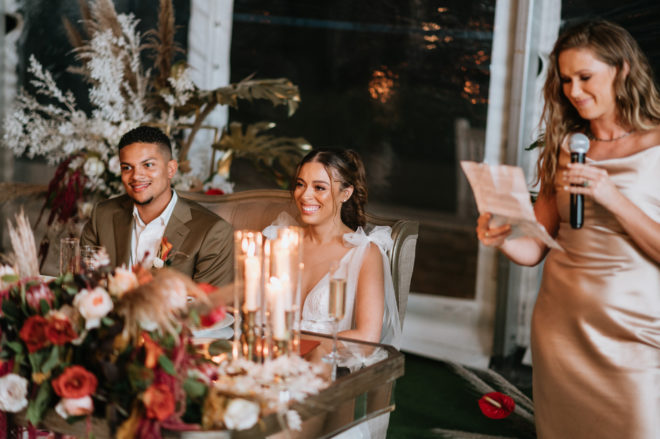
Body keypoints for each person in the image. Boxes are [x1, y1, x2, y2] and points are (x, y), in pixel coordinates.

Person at [476, 21, 660, 438]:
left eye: (585, 77)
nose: (574, 91)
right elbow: (536, 247)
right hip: (560, 327)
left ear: (623, 70)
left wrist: (613, 197)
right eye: (566, 80)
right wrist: (502, 236)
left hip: (636, 334)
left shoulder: (657, 147)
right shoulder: (567, 146)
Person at [264, 148, 401, 349]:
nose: (305, 195)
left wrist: (300, 349)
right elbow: (254, 309)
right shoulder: (280, 242)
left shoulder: (365, 253)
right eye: (300, 184)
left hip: (329, 364)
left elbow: (367, 336)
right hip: (270, 356)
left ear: (345, 193)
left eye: (319, 187)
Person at [81, 126, 234, 287]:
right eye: (127, 167)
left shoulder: (214, 232)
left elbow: (208, 305)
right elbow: (83, 285)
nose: (136, 176)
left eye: (148, 165)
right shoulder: (102, 215)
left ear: (170, 169)